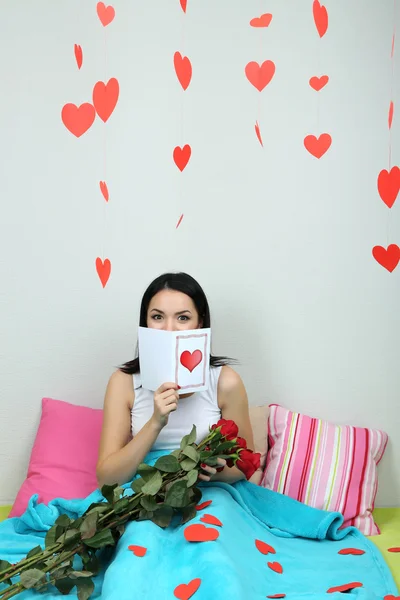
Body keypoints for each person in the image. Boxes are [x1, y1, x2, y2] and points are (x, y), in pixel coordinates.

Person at [96, 271, 258, 488]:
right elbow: (107, 479)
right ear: (145, 322)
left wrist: (212, 471)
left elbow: (244, 464)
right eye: (157, 317)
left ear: (199, 323)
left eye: (183, 318)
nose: (169, 329)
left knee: (205, 523)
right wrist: (155, 423)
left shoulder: (225, 382)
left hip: (208, 492)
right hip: (144, 491)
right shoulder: (123, 382)